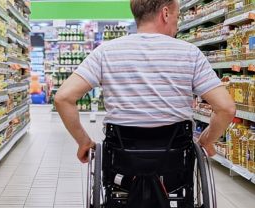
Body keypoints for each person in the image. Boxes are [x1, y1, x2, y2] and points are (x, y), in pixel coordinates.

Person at [54, 0, 236, 164]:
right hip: (174, 161)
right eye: (177, 16)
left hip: (122, 159)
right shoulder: (191, 53)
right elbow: (226, 108)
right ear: (165, 14)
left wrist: (83, 142)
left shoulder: (105, 52)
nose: (177, 23)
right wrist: (206, 141)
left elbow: (63, 98)